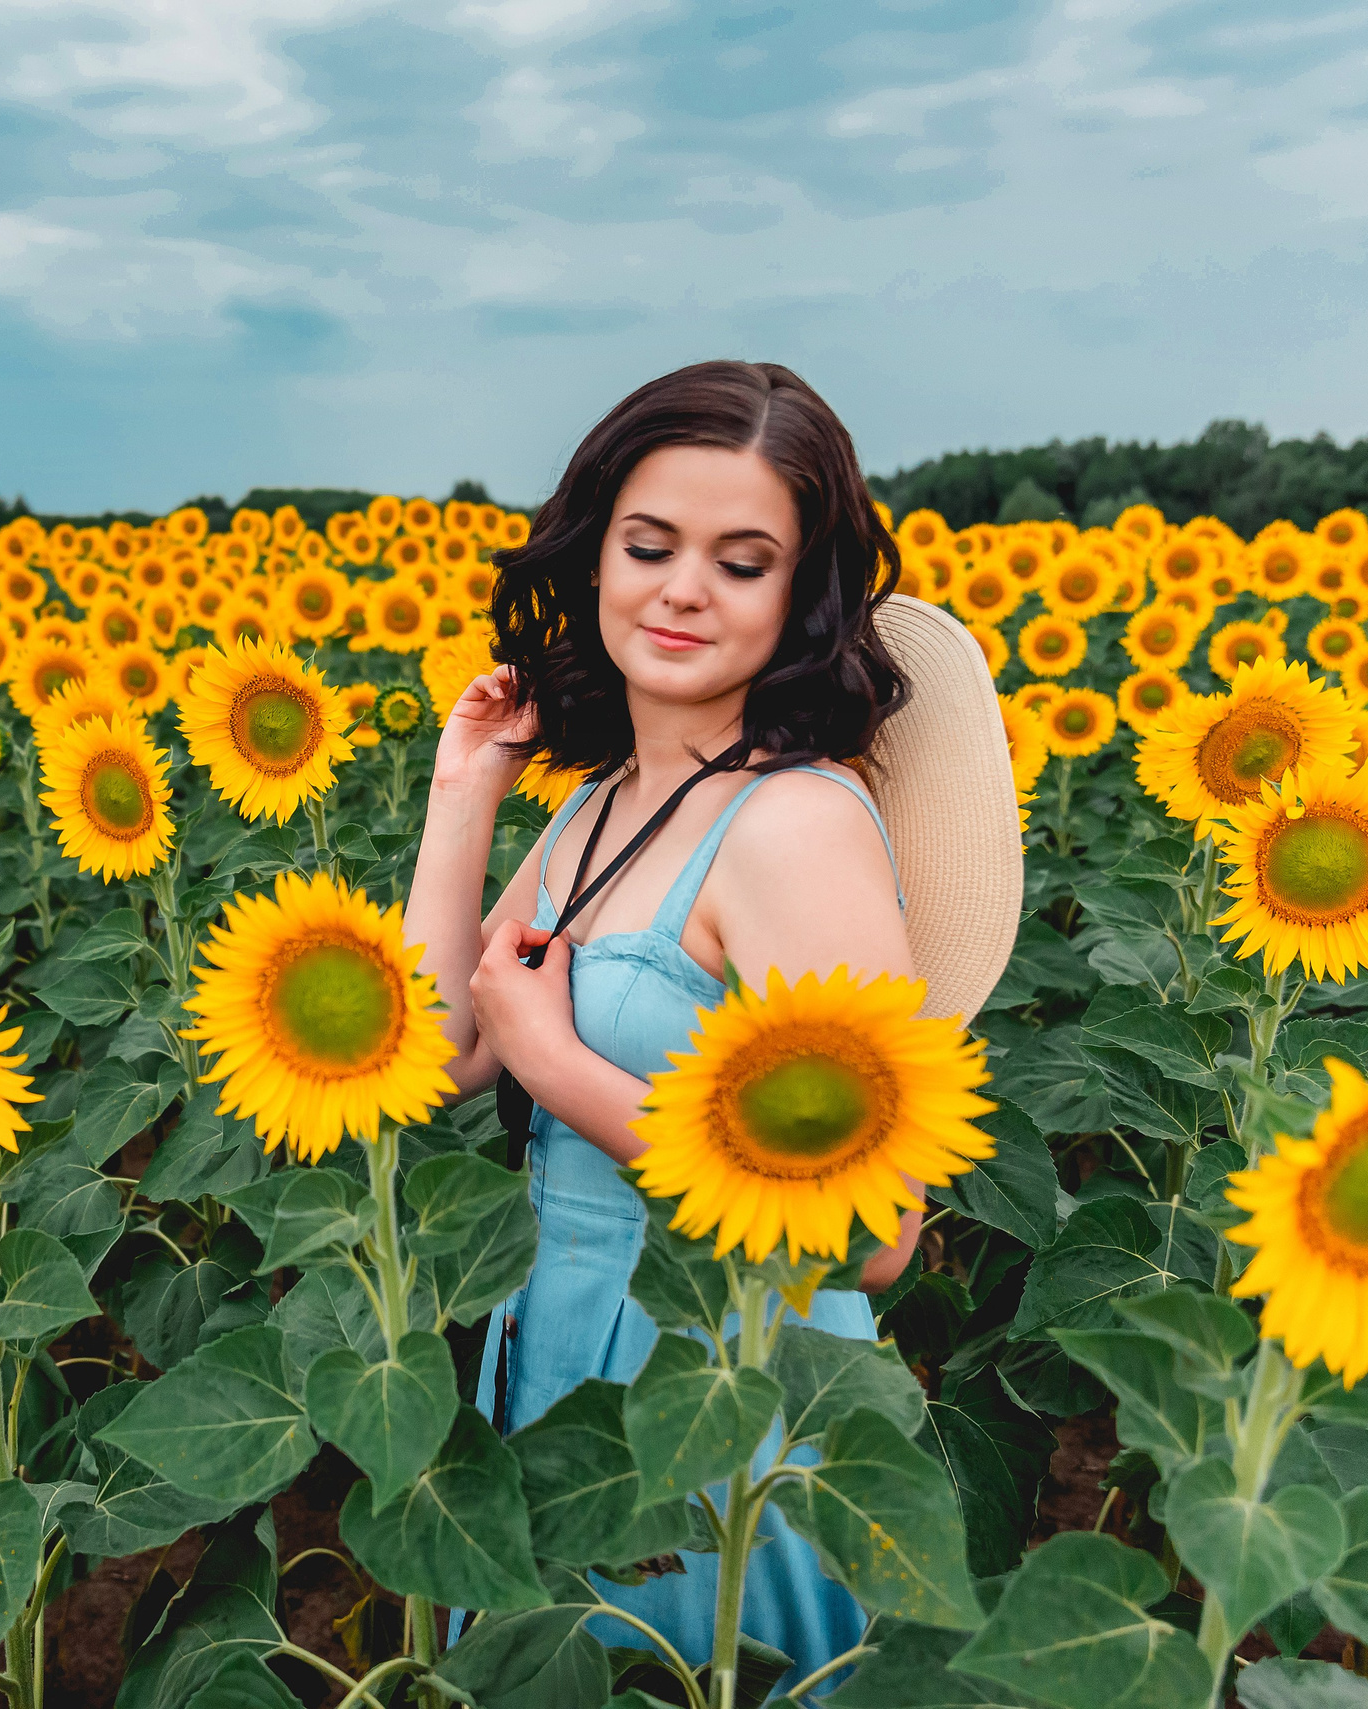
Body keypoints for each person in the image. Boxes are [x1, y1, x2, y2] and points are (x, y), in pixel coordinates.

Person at [408, 360, 1019, 1688]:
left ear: (799, 601)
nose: (683, 587)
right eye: (650, 544)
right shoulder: (600, 810)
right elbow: (436, 1055)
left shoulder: (791, 826)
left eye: (742, 562)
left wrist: (563, 1065)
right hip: (557, 1364)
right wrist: (466, 793)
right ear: (595, 554)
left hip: (718, 1403)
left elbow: (873, 1233)